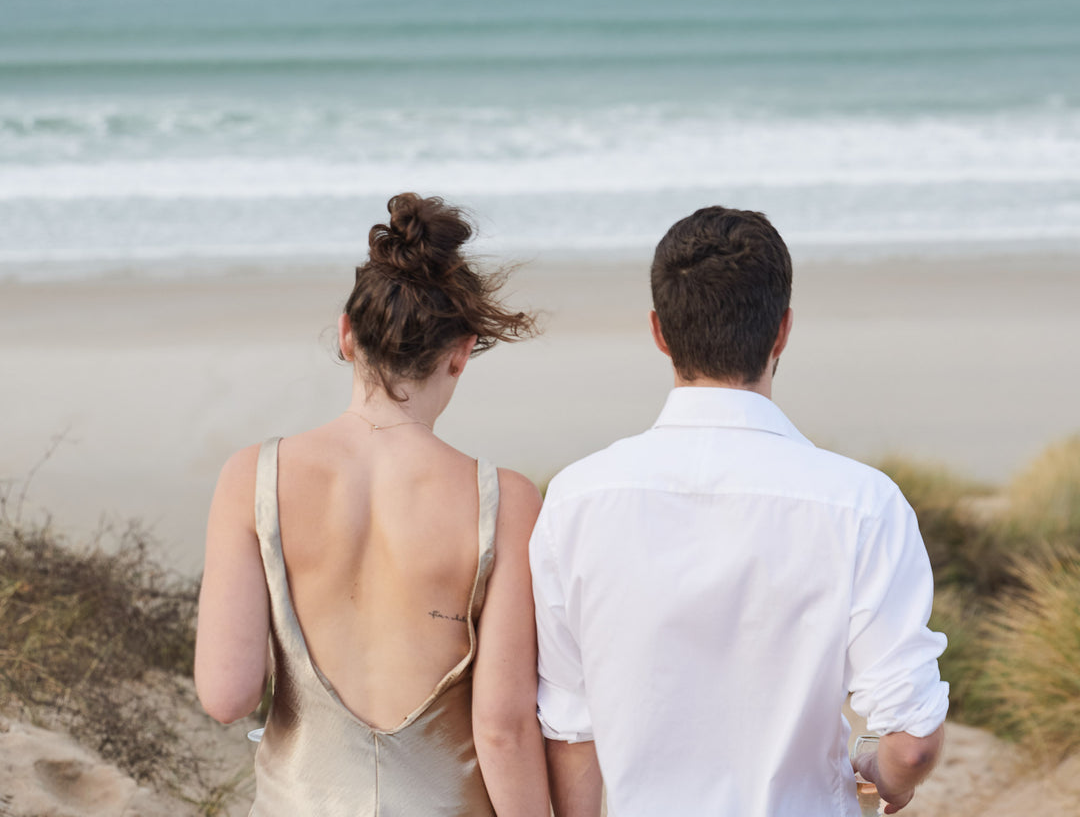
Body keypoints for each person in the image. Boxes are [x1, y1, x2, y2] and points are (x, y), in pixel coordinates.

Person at [530, 205, 948, 817]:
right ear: (781, 331)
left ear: (659, 332)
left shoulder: (575, 499)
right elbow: (911, 747)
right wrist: (885, 777)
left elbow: (569, 731)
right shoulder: (863, 503)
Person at [195, 193, 550, 817]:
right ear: (461, 352)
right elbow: (502, 729)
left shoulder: (252, 477)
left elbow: (227, 695)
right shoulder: (506, 501)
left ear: (347, 334)